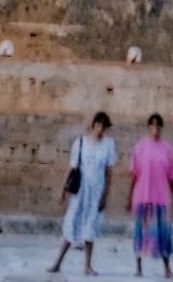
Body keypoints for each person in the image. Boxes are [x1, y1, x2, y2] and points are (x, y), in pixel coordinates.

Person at [49, 110, 115, 277]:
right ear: (93, 125)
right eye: (98, 125)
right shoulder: (80, 143)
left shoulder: (108, 145)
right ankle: (57, 263)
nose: (100, 129)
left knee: (90, 228)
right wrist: (63, 189)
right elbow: (72, 167)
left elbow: (108, 173)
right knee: (72, 223)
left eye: (103, 126)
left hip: (96, 191)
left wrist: (105, 196)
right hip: (80, 191)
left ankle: (87, 266)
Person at [127, 113, 173, 280]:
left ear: (161, 128)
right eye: (152, 126)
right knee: (141, 233)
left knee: (164, 235)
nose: (155, 129)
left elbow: (171, 177)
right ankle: (138, 267)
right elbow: (134, 174)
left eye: (158, 126)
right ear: (148, 127)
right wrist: (129, 198)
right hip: (143, 196)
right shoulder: (140, 147)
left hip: (161, 198)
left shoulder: (167, 149)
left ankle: (167, 269)